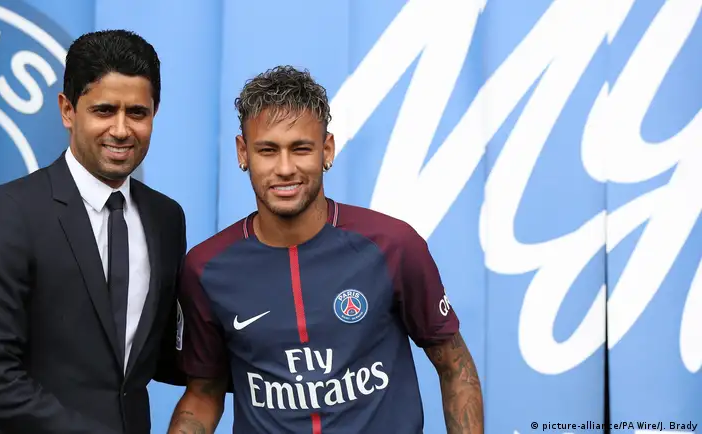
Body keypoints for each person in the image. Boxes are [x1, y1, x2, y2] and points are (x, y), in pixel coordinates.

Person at [167, 65, 484, 433]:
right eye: (267, 150)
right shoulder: (206, 269)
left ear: (326, 149)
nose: (285, 168)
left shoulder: (392, 245)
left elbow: (455, 366)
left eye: (301, 148)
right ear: (243, 152)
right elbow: (204, 394)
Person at [0, 29, 187, 434]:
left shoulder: (166, 218)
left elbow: (163, 356)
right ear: (67, 110)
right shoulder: (8, 213)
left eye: (137, 113)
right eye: (104, 111)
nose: (121, 130)